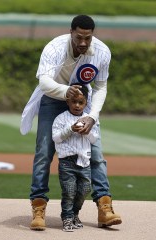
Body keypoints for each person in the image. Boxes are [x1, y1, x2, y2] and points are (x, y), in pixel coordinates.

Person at [20, 14, 122, 231]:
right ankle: (38, 206)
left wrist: (92, 116)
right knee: (44, 152)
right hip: (54, 97)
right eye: (79, 38)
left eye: (88, 38)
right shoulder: (55, 47)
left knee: (96, 153)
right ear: (71, 33)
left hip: (83, 101)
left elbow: (101, 87)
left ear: (92, 36)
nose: (83, 43)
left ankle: (105, 208)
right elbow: (44, 81)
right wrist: (66, 91)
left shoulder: (102, 52)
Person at [52, 84, 99, 232]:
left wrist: (87, 132)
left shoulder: (90, 119)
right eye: (74, 101)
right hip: (67, 161)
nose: (77, 105)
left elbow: (94, 140)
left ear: (86, 103)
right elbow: (56, 138)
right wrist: (70, 129)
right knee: (69, 191)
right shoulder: (61, 118)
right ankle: (66, 217)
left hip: (84, 161)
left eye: (81, 102)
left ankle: (74, 213)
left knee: (85, 189)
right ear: (67, 101)